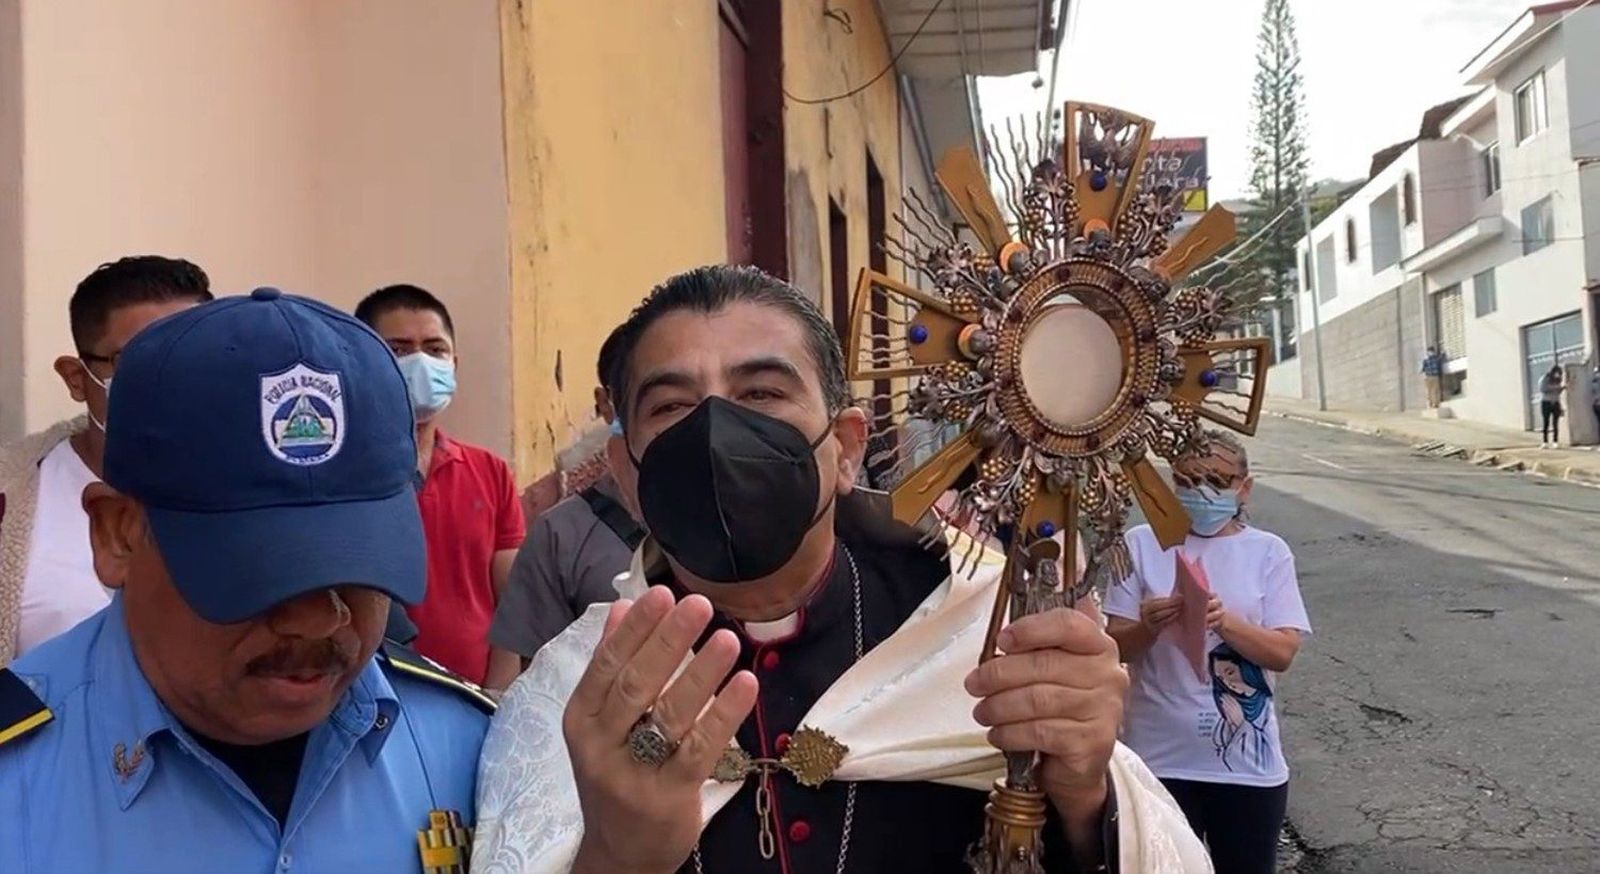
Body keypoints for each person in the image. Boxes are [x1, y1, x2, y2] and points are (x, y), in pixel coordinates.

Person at [474, 265, 1211, 873]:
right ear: (626, 473)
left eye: (762, 393)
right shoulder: (573, 689)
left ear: (847, 448)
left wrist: (1084, 791)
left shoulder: (988, 633)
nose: (716, 430)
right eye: (670, 405)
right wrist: (615, 857)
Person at [0, 288, 492, 872]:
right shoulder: (16, 777)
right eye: (258, 573)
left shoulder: (474, 751)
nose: (319, 619)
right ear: (118, 536)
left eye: (356, 567)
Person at [1104, 431, 1312, 874]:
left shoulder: (1268, 553)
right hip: (1157, 758)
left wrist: (1225, 621)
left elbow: (1282, 652)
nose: (1201, 493)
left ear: (1244, 487)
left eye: (1217, 481)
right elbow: (1113, 644)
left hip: (1246, 768)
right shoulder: (1141, 544)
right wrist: (1148, 625)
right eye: (1188, 481)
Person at [0, 255, 212, 666]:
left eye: (195, 356)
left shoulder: (257, 488)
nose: (174, 381)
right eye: (140, 361)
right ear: (77, 379)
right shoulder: (13, 497)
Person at [355, 284, 526, 688]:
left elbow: (514, 605)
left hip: (475, 698)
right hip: (378, 696)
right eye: (398, 350)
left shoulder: (491, 471)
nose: (420, 363)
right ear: (364, 361)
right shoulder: (344, 474)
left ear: (454, 362)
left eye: (435, 350)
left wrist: (497, 697)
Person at [485, 328, 644, 689]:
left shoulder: (746, 515)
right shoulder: (560, 533)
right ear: (605, 403)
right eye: (636, 393)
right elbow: (532, 690)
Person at [1539, 364, 1565, 447]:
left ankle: (1555, 441)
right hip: (1546, 402)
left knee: (1555, 423)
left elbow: (1558, 392)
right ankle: (1545, 441)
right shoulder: (1544, 379)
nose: (1557, 375)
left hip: (1555, 402)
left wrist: (1561, 388)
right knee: (1546, 422)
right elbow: (1543, 389)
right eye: (1556, 373)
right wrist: (1556, 387)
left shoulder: (1558, 380)